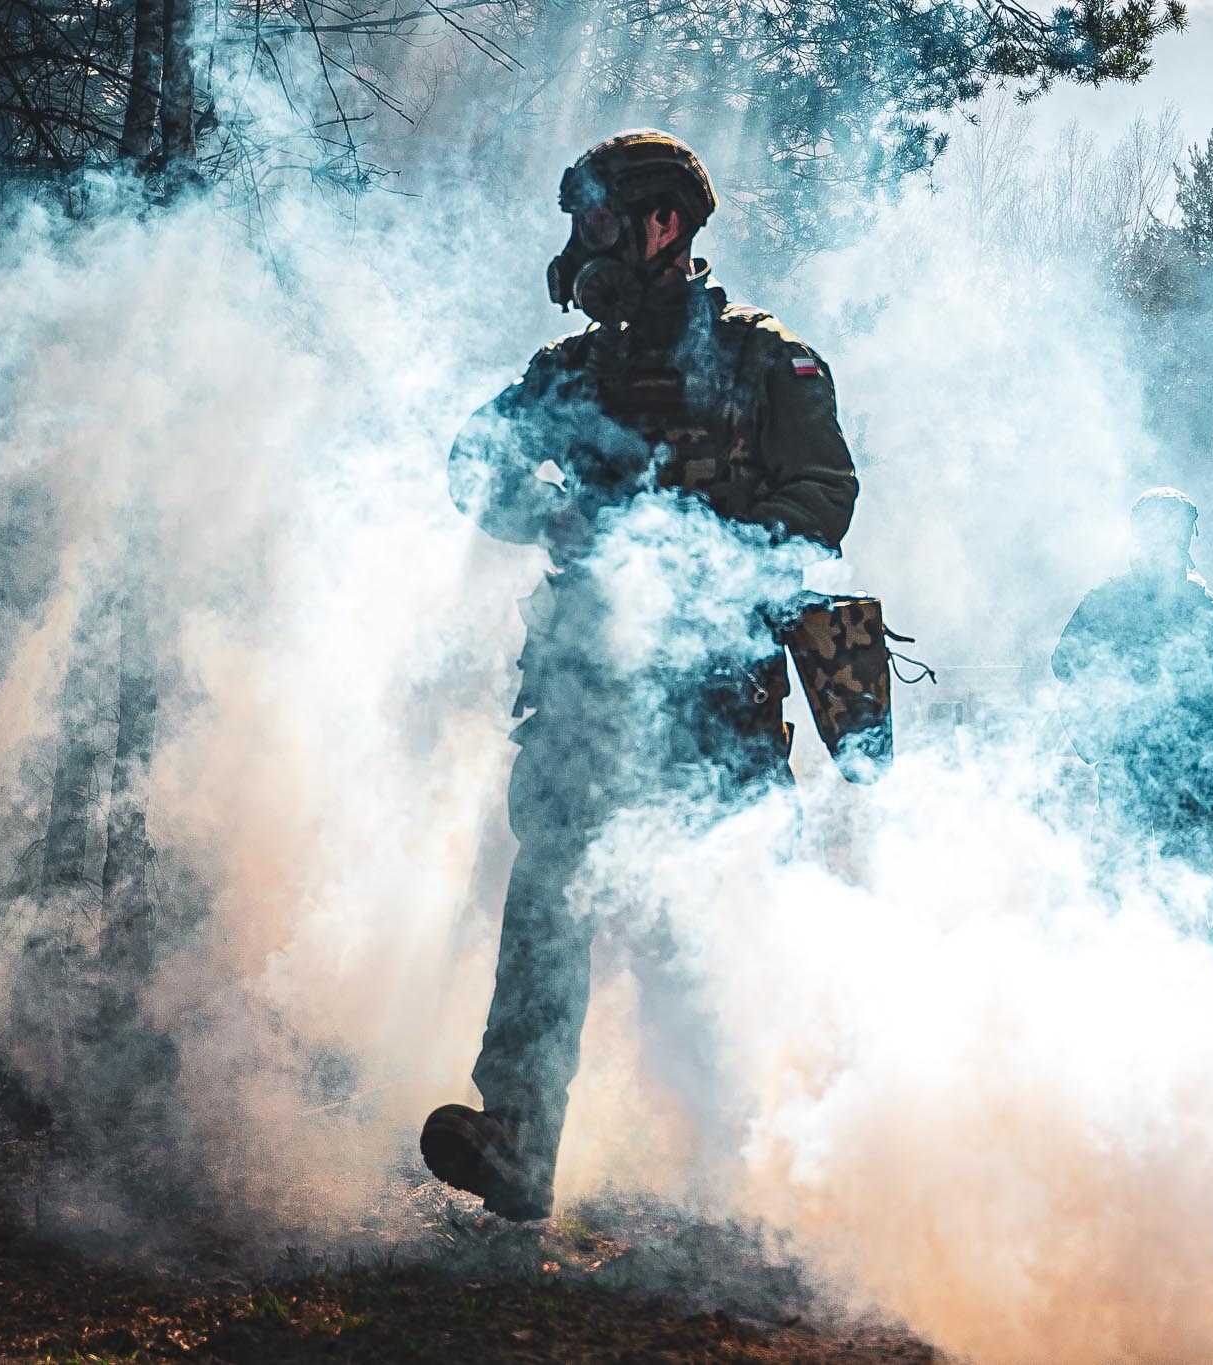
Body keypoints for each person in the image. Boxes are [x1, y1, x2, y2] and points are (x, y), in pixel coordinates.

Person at [420, 131, 860, 1219]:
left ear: (666, 224)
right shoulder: (565, 375)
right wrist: (555, 511)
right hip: (580, 697)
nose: (583, 240)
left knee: (705, 930)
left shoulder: (767, 362)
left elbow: (822, 503)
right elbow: (472, 469)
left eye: (602, 217)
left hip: (715, 701)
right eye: (581, 220)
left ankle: (744, 1179)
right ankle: (516, 1140)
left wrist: (695, 545)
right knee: (549, 905)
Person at [1051, 489, 1213, 869]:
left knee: (1126, 869)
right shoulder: (1203, 605)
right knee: (1181, 872)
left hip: (1138, 760)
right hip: (1181, 765)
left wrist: (1100, 729)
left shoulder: (1107, 601)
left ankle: (1133, 927)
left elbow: (1065, 666)